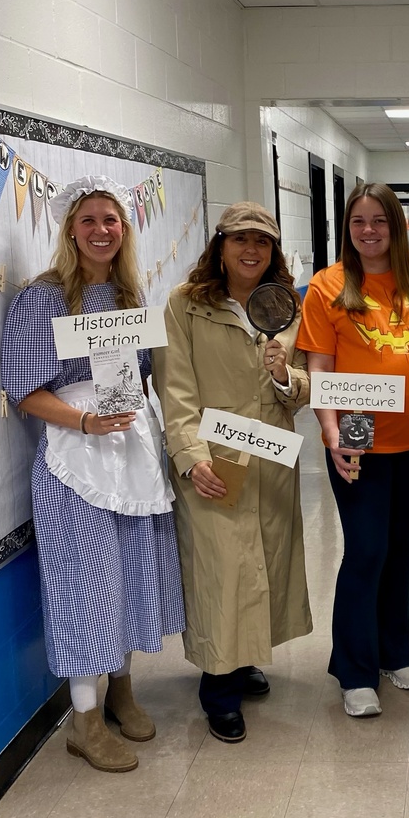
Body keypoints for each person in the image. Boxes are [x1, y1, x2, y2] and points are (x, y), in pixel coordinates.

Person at [0, 175, 183, 774]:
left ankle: (121, 689)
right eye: (89, 222)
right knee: (85, 585)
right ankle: (83, 717)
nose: (101, 231)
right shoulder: (44, 298)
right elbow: (24, 390)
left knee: (128, 574)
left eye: (111, 220)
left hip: (130, 453)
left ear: (124, 229)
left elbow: (150, 374)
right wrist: (83, 422)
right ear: (70, 229)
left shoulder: (132, 296)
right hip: (73, 459)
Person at [154, 202, 312, 744]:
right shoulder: (184, 305)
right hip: (213, 457)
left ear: (273, 252)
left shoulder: (288, 307)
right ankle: (217, 687)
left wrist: (284, 375)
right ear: (218, 245)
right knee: (220, 568)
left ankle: (243, 659)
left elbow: (303, 392)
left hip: (268, 455)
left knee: (261, 560)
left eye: (262, 242)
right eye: (239, 239)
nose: (250, 250)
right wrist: (191, 457)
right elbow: (174, 389)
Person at [297, 182, 409, 718]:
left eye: (379, 221)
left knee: (399, 546)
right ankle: (355, 668)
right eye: (358, 221)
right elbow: (319, 363)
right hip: (358, 429)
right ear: (348, 229)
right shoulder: (328, 285)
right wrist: (332, 430)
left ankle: (394, 652)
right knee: (366, 549)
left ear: (399, 226)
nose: (368, 231)